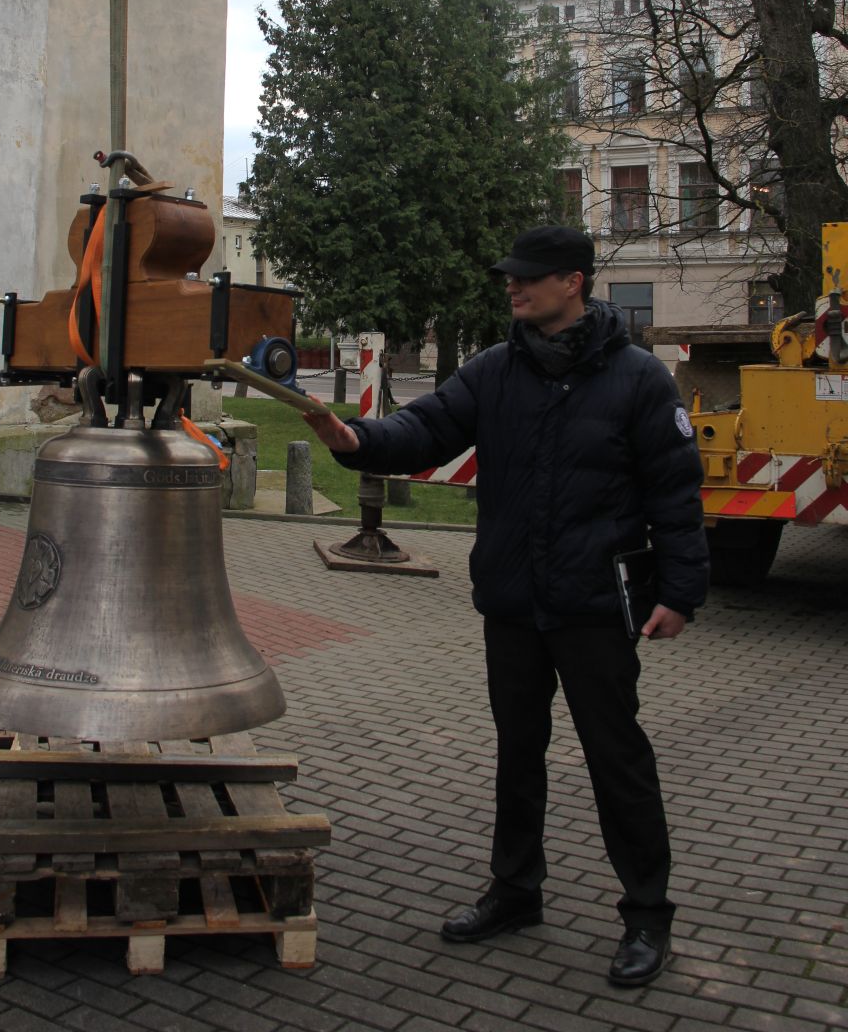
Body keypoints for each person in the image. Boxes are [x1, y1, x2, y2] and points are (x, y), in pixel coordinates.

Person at [303, 225, 709, 988]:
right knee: (518, 755)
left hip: (594, 607)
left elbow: (676, 494)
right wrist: (355, 440)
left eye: (528, 276)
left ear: (573, 283)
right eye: (511, 277)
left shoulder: (638, 379)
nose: (513, 287)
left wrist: (681, 593)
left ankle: (648, 916)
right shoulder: (496, 369)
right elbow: (424, 428)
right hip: (514, 602)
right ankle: (516, 890)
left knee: (616, 759)